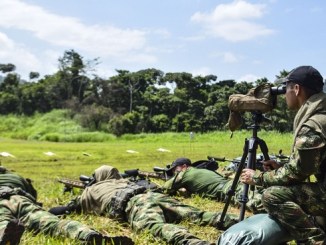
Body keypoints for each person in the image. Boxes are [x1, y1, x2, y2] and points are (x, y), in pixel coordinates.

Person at [240, 65, 326, 244]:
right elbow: (314, 161)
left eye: (285, 88)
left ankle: (315, 240)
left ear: (296, 89)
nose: (284, 94)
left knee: (272, 195)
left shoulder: (313, 124)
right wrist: (281, 167)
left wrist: (259, 178)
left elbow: (300, 171)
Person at [50, 165, 238, 245]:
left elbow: (62, 210)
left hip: (135, 204)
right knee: (198, 215)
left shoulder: (90, 192)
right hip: (151, 195)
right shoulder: (123, 181)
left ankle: (193, 242)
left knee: (154, 226)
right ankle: (239, 221)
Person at [0, 166, 133, 245]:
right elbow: (33, 195)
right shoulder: (15, 176)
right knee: (53, 223)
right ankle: (86, 234)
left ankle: (5, 236)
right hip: (20, 199)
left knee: (3, 222)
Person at [162, 157, 265, 214]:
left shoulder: (185, 173)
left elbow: (165, 189)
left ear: (184, 167)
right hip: (235, 185)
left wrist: (170, 179)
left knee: (263, 205)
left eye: (175, 169)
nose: (174, 172)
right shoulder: (200, 170)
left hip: (229, 190)